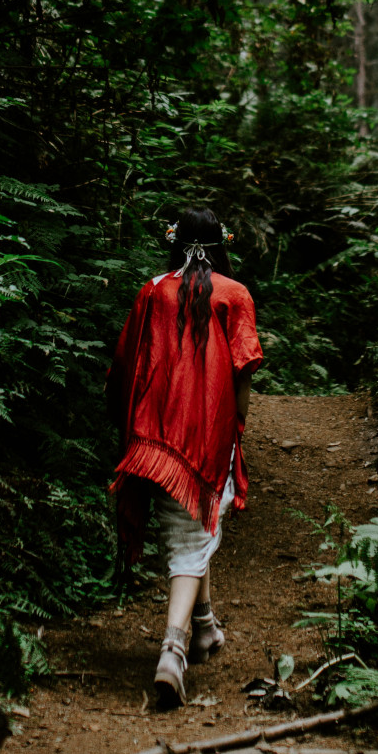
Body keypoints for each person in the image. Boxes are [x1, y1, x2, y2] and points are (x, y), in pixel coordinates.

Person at [106, 207, 263, 709]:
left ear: (173, 242)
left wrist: (130, 425)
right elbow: (242, 374)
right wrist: (237, 426)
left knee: (193, 529)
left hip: (154, 436)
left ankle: (204, 628)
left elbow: (127, 363)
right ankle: (172, 652)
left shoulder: (152, 291)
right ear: (222, 245)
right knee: (190, 537)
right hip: (206, 434)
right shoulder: (234, 294)